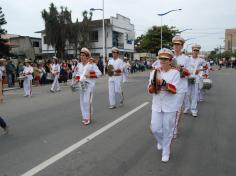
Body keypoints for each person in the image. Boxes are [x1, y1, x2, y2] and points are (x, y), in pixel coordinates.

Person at [148, 48, 180, 162]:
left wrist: (163, 83)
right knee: (155, 128)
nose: (162, 60)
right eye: (161, 58)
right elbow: (149, 89)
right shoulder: (154, 72)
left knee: (167, 129)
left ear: (170, 60)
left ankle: (166, 150)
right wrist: (153, 86)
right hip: (157, 105)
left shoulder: (175, 73)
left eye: (165, 59)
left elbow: (174, 89)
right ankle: (162, 142)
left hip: (170, 106)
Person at [172, 36, 190, 138]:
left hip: (181, 86)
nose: (176, 46)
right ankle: (168, 126)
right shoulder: (169, 56)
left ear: (182, 46)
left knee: (177, 108)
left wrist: (180, 70)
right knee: (169, 108)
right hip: (169, 86)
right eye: (175, 44)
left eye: (178, 44)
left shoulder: (186, 58)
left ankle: (174, 128)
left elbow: (189, 73)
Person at [78, 48, 102, 125]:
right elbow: (78, 75)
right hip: (81, 84)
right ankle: (85, 117)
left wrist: (90, 75)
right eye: (81, 55)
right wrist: (76, 79)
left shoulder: (91, 65)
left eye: (83, 55)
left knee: (86, 101)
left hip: (89, 85)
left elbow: (99, 73)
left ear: (87, 56)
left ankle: (88, 117)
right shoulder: (79, 65)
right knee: (82, 101)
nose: (81, 57)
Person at [183, 44, 207, 117]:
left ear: (198, 51)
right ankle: (187, 107)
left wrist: (199, 70)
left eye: (197, 50)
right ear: (192, 50)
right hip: (187, 78)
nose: (195, 52)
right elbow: (183, 67)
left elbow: (206, 67)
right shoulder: (187, 59)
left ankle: (193, 110)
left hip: (195, 78)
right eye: (194, 50)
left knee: (195, 94)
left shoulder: (201, 60)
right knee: (186, 94)